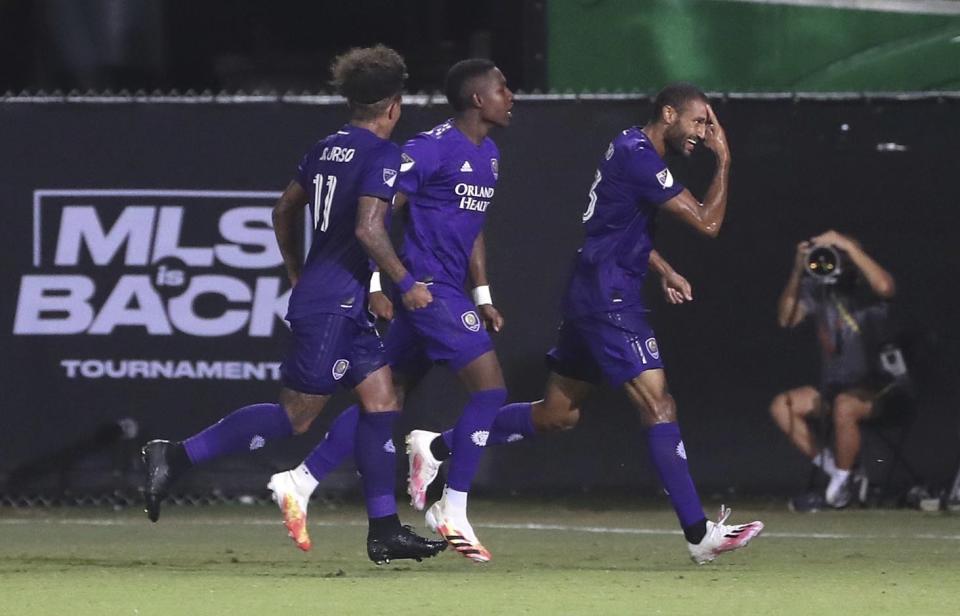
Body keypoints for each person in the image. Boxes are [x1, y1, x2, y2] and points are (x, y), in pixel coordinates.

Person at [405, 82, 764, 565]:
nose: (705, 132)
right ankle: (699, 534)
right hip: (608, 298)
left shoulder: (630, 144)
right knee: (659, 405)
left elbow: (615, 225)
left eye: (710, 127)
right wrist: (725, 160)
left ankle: (439, 445)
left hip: (596, 288)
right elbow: (707, 221)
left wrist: (662, 268)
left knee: (557, 414)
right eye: (700, 121)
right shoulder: (642, 156)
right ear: (669, 113)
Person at [140, 45, 446, 565]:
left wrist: (297, 272)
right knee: (295, 417)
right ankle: (174, 455)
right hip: (333, 306)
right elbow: (369, 229)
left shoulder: (327, 147)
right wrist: (405, 282)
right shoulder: (384, 156)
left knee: (382, 403)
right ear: (394, 105)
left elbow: (283, 210)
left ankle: (385, 531)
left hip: (337, 301)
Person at [267, 58, 514, 563]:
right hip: (425, 287)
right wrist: (383, 283)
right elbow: (375, 217)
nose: (512, 96)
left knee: (387, 398)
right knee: (490, 390)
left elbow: (472, 226)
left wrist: (483, 294)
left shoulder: (488, 153)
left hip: (448, 291)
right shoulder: (427, 148)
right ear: (477, 99)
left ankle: (302, 479)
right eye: (503, 88)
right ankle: (452, 504)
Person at [768, 230, 898, 510]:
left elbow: (887, 287)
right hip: (836, 390)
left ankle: (840, 484)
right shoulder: (821, 291)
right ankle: (839, 473)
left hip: (879, 390)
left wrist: (847, 245)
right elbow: (786, 318)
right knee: (784, 406)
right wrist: (798, 269)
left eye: (840, 255)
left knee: (844, 406)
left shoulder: (866, 289)